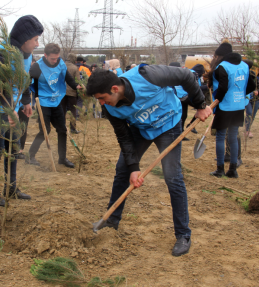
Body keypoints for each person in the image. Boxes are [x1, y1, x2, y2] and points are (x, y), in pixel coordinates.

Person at [86, 65, 211, 257]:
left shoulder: (146, 76)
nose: (101, 103)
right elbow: (125, 138)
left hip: (169, 124)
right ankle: (111, 220)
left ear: (115, 89)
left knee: (172, 176)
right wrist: (134, 168)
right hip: (141, 129)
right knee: (123, 170)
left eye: (102, 98)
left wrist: (201, 106)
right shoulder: (111, 110)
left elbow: (186, 75)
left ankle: (183, 235)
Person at [0, 15, 43, 206]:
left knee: (13, 150)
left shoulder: (26, 56)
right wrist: (8, 109)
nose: (37, 44)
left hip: (12, 111)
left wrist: (25, 101)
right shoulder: (1, 55)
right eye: (35, 39)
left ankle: (12, 188)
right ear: (25, 39)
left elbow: (24, 79)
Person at [27, 43, 82, 168]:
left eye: (56, 58)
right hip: (43, 102)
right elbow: (27, 82)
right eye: (52, 58)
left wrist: (76, 86)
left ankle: (62, 158)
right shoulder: (37, 67)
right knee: (45, 131)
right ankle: (30, 156)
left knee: (62, 129)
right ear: (45, 55)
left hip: (56, 101)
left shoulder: (60, 63)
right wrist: (27, 100)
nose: (54, 61)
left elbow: (67, 77)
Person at [208, 42, 255, 178]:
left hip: (225, 106)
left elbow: (222, 88)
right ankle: (233, 170)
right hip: (239, 106)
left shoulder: (222, 67)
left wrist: (218, 100)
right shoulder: (244, 66)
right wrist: (239, 93)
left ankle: (220, 169)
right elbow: (251, 86)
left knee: (220, 137)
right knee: (233, 137)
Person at [169, 62, 201, 140]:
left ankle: (181, 132)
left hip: (183, 97)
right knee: (180, 115)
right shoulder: (168, 76)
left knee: (184, 115)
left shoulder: (183, 75)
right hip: (179, 98)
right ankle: (180, 132)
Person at [61, 53, 81, 134]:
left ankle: (62, 128)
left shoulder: (62, 66)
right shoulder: (75, 68)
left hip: (62, 92)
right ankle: (72, 128)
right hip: (72, 92)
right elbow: (78, 81)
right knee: (73, 110)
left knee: (62, 110)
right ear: (74, 59)